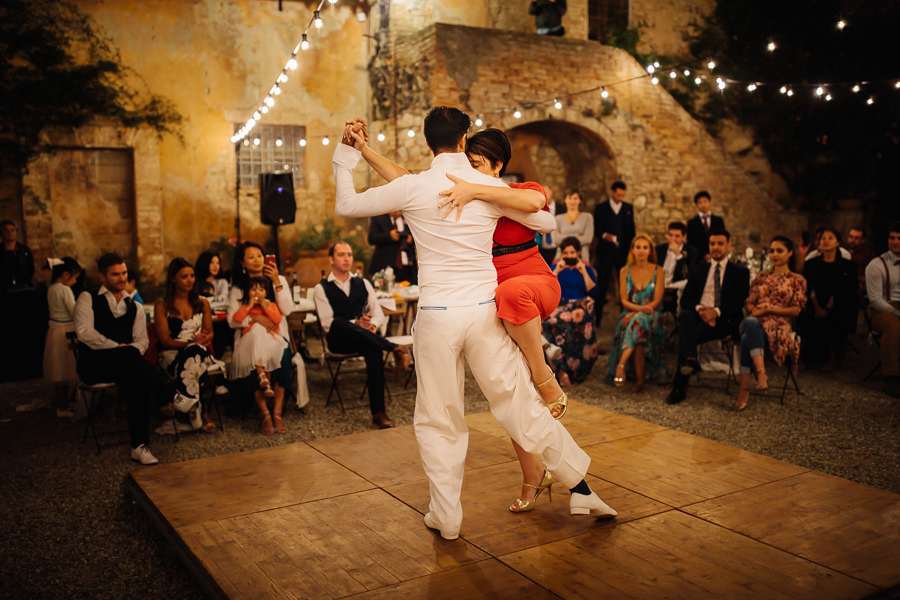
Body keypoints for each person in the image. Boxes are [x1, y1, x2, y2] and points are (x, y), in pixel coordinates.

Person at [335, 107, 617, 542]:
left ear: (428, 143)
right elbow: (543, 218)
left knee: (439, 418)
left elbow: (347, 203)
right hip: (483, 313)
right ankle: (579, 486)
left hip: (436, 319)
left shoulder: (414, 186)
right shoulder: (485, 184)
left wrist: (346, 154)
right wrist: (488, 193)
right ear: (465, 141)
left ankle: (446, 516)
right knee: (519, 403)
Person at [353, 125, 569, 509]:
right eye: (467, 163)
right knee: (510, 396)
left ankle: (546, 382)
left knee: (517, 384)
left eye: (478, 164)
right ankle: (534, 474)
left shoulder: (509, 193)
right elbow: (405, 179)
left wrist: (476, 189)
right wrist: (366, 151)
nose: (468, 171)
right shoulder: (456, 187)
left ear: (499, 164)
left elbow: (545, 215)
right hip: (488, 297)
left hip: (522, 286)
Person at [74, 253, 176, 464]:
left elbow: (142, 341)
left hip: (125, 366)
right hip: (94, 364)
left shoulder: (135, 306)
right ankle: (169, 394)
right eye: (115, 274)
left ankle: (139, 446)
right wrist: (118, 348)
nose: (121, 278)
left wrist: (127, 351)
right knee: (130, 357)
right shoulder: (88, 298)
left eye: (124, 273)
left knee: (137, 380)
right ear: (102, 277)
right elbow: (84, 333)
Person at [314, 241, 410, 429]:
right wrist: (355, 324)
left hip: (364, 337)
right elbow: (327, 324)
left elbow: (378, 314)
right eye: (341, 254)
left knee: (373, 349)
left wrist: (372, 325)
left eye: (349, 254)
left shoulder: (362, 283)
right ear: (331, 260)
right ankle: (393, 347)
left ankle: (379, 413)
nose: (347, 258)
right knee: (340, 322)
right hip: (339, 340)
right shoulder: (322, 288)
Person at [666, 228, 750, 405]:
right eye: (712, 244)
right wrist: (701, 310)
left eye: (720, 243)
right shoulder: (698, 270)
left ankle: (681, 383)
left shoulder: (740, 272)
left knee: (686, 333)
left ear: (729, 245)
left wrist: (716, 312)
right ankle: (690, 360)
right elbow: (686, 300)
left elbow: (738, 303)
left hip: (724, 320)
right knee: (686, 317)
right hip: (699, 316)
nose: (716, 247)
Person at [228, 241, 295, 434]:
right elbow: (233, 321)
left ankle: (277, 413)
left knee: (282, 359)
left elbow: (287, 310)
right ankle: (264, 413)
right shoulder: (239, 288)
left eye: (260, 255)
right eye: (251, 257)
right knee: (252, 360)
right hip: (249, 339)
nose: (257, 260)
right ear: (242, 262)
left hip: (276, 336)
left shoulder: (278, 279)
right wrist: (256, 317)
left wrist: (276, 282)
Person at [734, 236, 807, 411]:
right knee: (751, 323)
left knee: (746, 337)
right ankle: (761, 373)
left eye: (779, 250)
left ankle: (745, 389)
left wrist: (768, 309)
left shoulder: (797, 280)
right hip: (757, 322)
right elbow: (749, 302)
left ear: (789, 253)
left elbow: (795, 310)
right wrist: (756, 309)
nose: (774, 254)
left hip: (779, 327)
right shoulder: (762, 277)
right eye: (772, 250)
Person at [154, 258, 221, 433]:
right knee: (193, 355)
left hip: (201, 351)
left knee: (196, 353)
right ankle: (201, 410)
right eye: (184, 276)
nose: (190, 280)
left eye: (192, 276)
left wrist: (202, 340)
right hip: (172, 352)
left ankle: (186, 408)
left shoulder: (202, 302)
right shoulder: (162, 305)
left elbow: (210, 332)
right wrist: (189, 344)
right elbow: (165, 340)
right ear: (173, 279)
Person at [19, 257, 82, 416]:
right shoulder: (64, 290)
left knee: (59, 371)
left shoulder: (51, 288)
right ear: (66, 275)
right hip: (66, 332)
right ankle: (65, 406)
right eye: (75, 278)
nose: (75, 282)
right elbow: (74, 312)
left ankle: (62, 404)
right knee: (66, 369)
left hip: (54, 331)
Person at [609, 234, 666, 392]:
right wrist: (637, 311)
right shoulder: (624, 271)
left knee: (638, 322)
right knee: (638, 330)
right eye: (638, 247)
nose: (641, 251)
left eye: (645, 247)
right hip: (631, 314)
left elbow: (656, 301)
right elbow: (623, 300)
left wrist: (635, 313)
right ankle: (639, 380)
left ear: (650, 251)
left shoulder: (658, 271)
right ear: (632, 250)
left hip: (651, 315)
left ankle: (621, 364)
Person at [544, 237, 600, 387]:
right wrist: (556, 270)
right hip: (561, 305)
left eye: (572, 252)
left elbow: (594, 293)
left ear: (579, 253)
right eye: (566, 252)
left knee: (574, 321)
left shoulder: (586, 269)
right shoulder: (556, 268)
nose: (569, 256)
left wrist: (583, 271)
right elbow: (544, 287)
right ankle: (560, 368)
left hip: (580, 306)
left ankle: (574, 369)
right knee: (549, 323)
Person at [801, 227, 858, 371]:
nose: (825, 241)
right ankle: (805, 358)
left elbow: (844, 290)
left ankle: (832, 359)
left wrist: (827, 308)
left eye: (830, 238)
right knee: (805, 315)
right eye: (823, 238)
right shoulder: (812, 264)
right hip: (815, 303)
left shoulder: (847, 266)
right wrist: (818, 307)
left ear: (838, 242)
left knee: (835, 317)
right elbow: (809, 288)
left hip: (837, 304)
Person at [231, 276, 289, 399]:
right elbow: (237, 318)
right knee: (257, 335)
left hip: (269, 339)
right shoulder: (247, 306)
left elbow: (277, 319)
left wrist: (265, 307)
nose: (257, 292)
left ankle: (266, 383)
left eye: (261, 290)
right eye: (253, 289)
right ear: (248, 293)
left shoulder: (270, 305)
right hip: (251, 340)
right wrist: (249, 306)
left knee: (268, 355)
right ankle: (261, 375)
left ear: (266, 293)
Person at [865, 221, 900, 394]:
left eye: (899, 238)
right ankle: (892, 376)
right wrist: (896, 312)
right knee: (894, 326)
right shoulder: (876, 265)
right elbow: (875, 299)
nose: (895, 242)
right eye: (892, 238)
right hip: (883, 308)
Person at [593, 181, 635, 319]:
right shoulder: (601, 208)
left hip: (622, 252)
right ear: (612, 192)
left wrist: (631, 248)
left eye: (623, 195)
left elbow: (631, 231)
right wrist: (605, 235)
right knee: (602, 283)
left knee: (624, 284)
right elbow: (596, 228)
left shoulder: (628, 208)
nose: (620, 198)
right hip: (605, 252)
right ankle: (597, 316)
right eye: (618, 195)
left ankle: (625, 314)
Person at [195, 249, 231, 358]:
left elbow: (224, 300)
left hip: (218, 321)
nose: (216, 266)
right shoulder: (195, 282)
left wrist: (207, 303)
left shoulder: (222, 282)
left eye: (218, 263)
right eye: (212, 262)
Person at [368, 211, 417, 284]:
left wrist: (411, 239)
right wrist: (389, 235)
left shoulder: (409, 217)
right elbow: (371, 238)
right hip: (385, 267)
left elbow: (419, 236)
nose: (397, 212)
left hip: (407, 267)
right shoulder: (378, 217)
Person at [553, 189, 593, 264]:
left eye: (575, 198)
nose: (572, 201)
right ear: (565, 200)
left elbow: (588, 239)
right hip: (560, 257)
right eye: (569, 198)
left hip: (582, 257)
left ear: (580, 200)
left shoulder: (587, 217)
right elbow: (555, 239)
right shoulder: (558, 218)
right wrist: (577, 236)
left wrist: (563, 236)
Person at [686, 191, 726, 260]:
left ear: (709, 202)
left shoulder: (718, 220)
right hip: (699, 259)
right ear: (696, 205)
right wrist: (703, 255)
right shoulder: (691, 223)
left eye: (705, 201)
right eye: (700, 202)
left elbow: (723, 238)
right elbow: (691, 243)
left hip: (718, 255)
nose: (703, 204)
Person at [656, 222, 697, 288]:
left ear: (684, 237)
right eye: (670, 235)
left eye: (677, 236)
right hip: (658, 285)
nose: (673, 239)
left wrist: (678, 254)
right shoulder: (659, 249)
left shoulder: (691, 251)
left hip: (676, 287)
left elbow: (686, 275)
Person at [0, 219, 34, 293]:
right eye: (6, 231)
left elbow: (30, 269)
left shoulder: (24, 250)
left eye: (12, 230)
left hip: (23, 287)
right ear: (2, 233)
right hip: (4, 289)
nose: (10, 233)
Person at [537, 184, 559, 265]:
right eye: (540, 193)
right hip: (541, 249)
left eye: (545, 192)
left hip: (557, 249)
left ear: (550, 192)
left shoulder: (562, 208)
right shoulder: (536, 209)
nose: (543, 196)